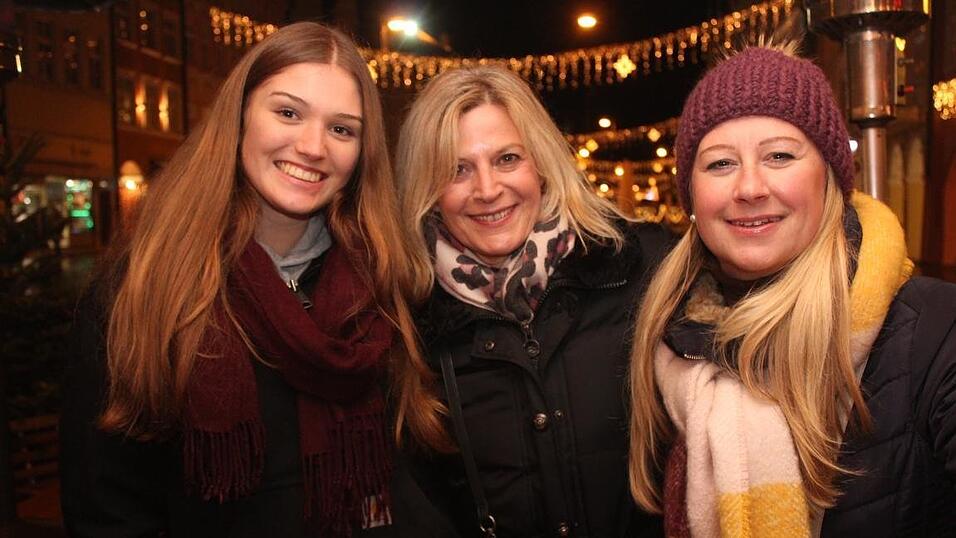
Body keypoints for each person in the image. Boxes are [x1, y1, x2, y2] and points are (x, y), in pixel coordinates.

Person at [60, 22, 420, 537]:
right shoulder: (143, 286)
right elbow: (105, 505)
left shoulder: (385, 281)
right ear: (240, 115)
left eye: (342, 129)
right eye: (289, 112)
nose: (313, 147)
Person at [627, 39, 956, 537]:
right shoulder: (666, 345)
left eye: (779, 155)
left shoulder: (935, 328)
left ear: (829, 179)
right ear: (691, 194)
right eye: (720, 163)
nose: (750, 187)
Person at [392, 65, 671, 537]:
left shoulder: (640, 268)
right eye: (457, 169)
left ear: (540, 162)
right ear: (429, 189)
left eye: (507, 159)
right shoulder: (409, 318)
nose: (486, 189)